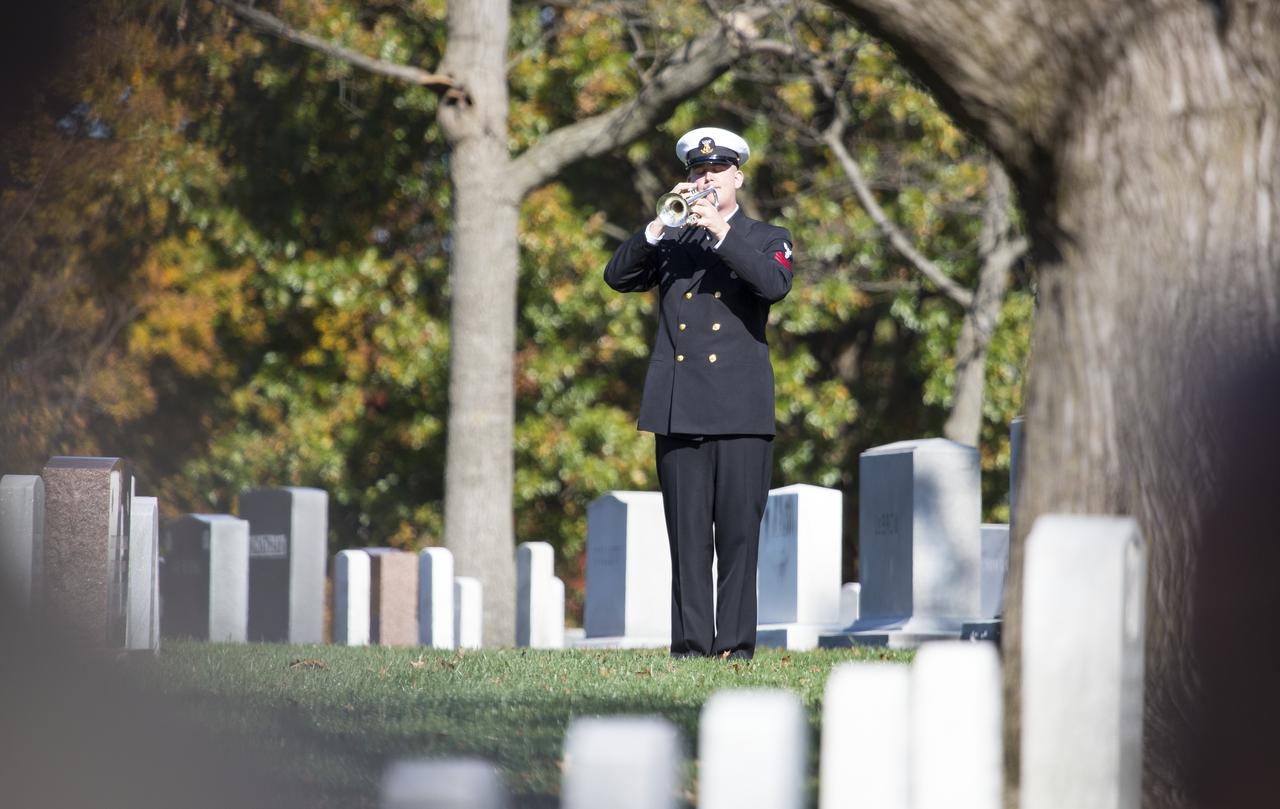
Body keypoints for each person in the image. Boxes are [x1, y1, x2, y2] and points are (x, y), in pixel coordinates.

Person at [603, 126, 794, 660]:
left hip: (740, 411)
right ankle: (689, 647)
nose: (705, 179)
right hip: (680, 408)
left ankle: (734, 647)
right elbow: (617, 276)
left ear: (738, 175)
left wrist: (720, 233)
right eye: (696, 171)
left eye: (716, 170)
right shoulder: (673, 239)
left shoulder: (766, 237)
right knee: (687, 542)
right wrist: (659, 226)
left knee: (737, 540)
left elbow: (773, 285)